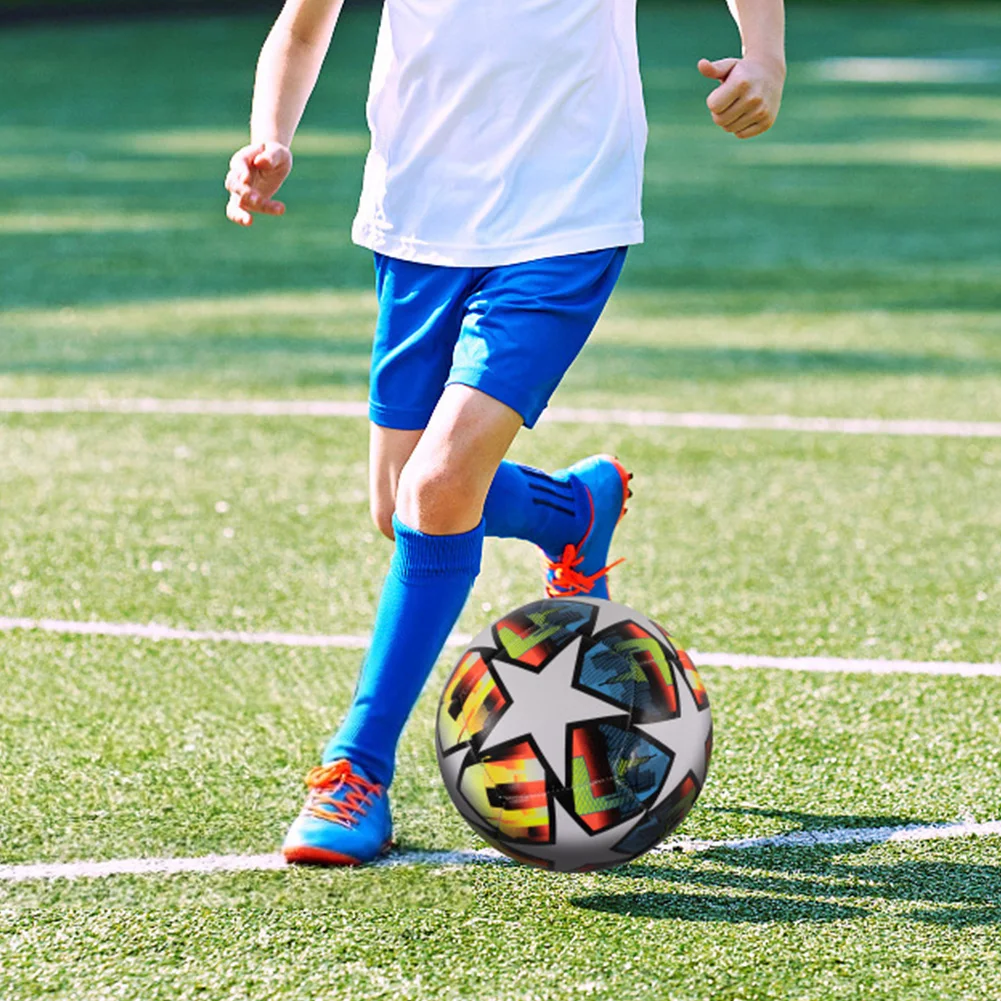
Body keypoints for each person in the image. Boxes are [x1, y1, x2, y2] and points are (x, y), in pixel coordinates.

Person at [225, 0, 785, 866]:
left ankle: (355, 769)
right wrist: (272, 137)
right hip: (417, 222)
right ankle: (573, 510)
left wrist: (765, 55)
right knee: (400, 501)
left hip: (564, 218)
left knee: (439, 486)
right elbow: (303, 26)